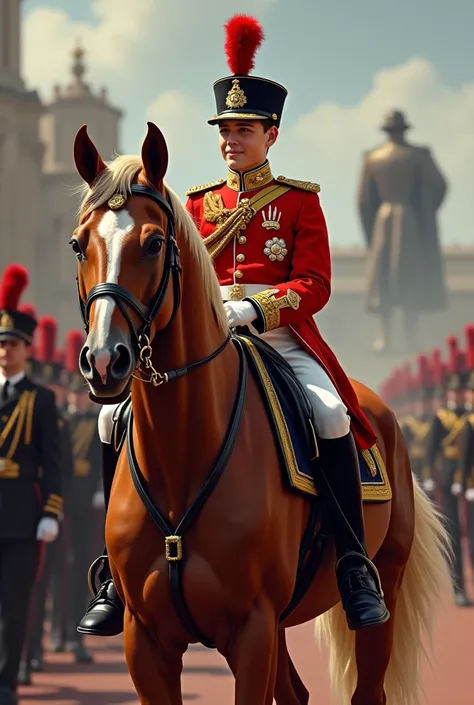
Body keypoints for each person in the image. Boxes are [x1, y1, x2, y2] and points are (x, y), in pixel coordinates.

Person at [77, 14, 389, 638]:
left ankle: (353, 563)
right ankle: (114, 573)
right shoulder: (192, 204)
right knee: (114, 416)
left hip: (278, 336)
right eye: (224, 130)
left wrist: (257, 308)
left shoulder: (300, 201)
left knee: (329, 412)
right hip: (202, 337)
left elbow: (316, 285)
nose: (231, 141)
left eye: (244, 130)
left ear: (271, 135)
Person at [0, 264, 62, 705]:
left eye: (14, 345)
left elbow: (52, 463)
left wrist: (50, 512)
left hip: (23, 514)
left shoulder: (41, 399)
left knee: (17, 605)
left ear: (26, 349)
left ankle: (7, 680)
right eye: (1, 345)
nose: (6, 352)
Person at [357, 109, 447, 353]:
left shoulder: (373, 157)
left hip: (383, 222)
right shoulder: (418, 155)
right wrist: (423, 211)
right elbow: (439, 186)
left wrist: (371, 232)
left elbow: (364, 201)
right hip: (410, 223)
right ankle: (410, 335)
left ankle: (384, 336)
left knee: (387, 280)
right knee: (408, 278)